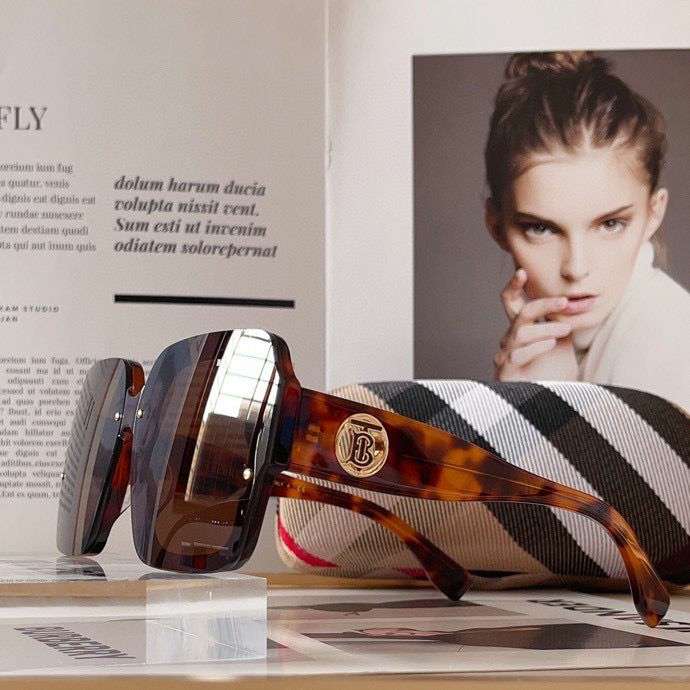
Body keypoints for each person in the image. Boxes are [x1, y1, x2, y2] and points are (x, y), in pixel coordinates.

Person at [484, 51, 690, 412]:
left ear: (653, 214)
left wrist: (541, 413)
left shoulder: (666, 349)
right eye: (541, 229)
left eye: (610, 224)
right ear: (497, 227)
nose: (576, 268)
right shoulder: (549, 350)